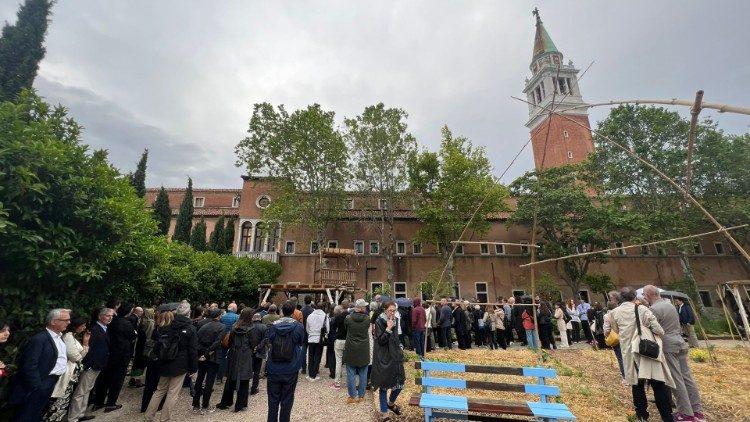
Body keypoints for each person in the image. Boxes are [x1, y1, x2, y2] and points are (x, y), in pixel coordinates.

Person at [607, 287, 674, 422]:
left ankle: (642, 416)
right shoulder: (642, 309)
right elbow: (658, 329)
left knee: (637, 385)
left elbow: (616, 330)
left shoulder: (614, 313)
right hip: (645, 349)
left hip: (629, 352)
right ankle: (667, 417)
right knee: (658, 384)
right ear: (634, 297)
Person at [643, 285, 706, 422]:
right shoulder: (670, 305)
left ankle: (685, 413)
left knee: (675, 379)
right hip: (680, 341)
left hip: (668, 345)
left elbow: (653, 329)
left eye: (644, 295)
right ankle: (697, 411)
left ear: (648, 295)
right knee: (687, 377)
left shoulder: (653, 309)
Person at [9, 308, 71, 422]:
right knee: (27, 415)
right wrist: (37, 385)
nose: (69, 322)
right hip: (41, 382)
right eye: (65, 320)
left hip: (51, 381)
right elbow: (29, 365)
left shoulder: (59, 337)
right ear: (53, 321)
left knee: (37, 412)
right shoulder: (39, 339)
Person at [144, 301, 198, 422]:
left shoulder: (167, 326)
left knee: (160, 390)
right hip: (180, 364)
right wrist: (193, 368)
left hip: (165, 361)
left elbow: (158, 345)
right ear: (189, 313)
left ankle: (148, 416)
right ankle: (165, 418)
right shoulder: (190, 329)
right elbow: (193, 351)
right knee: (172, 392)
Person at [67, 308, 113, 422]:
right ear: (100, 316)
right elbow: (89, 349)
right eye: (107, 315)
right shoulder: (93, 329)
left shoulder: (104, 328)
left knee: (87, 389)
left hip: (98, 364)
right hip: (91, 365)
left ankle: (81, 414)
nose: (110, 318)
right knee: (81, 391)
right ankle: (73, 417)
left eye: (111, 316)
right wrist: (89, 364)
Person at [43, 316, 90, 421]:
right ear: (75, 326)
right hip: (66, 375)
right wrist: (84, 348)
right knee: (58, 403)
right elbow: (75, 356)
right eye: (82, 325)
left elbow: (78, 356)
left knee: (63, 402)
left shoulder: (73, 336)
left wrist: (85, 344)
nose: (84, 327)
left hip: (71, 377)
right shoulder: (68, 337)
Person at [92, 304, 137, 413]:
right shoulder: (126, 323)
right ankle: (111, 403)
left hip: (109, 352)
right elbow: (132, 336)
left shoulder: (112, 321)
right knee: (117, 379)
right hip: (121, 354)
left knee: (105, 378)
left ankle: (98, 402)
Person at [265, 301, 305, 422]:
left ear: (282, 311)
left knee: (272, 399)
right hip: (290, 366)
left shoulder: (273, 326)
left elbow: (269, 340)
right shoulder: (298, 326)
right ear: (293, 312)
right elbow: (300, 341)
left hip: (274, 366)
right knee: (287, 399)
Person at [217, 308, 258, 412]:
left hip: (234, 353)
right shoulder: (252, 328)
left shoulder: (235, 326)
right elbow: (253, 343)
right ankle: (240, 404)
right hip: (245, 354)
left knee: (230, 377)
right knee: (244, 379)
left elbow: (229, 341)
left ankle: (226, 402)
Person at [371, 301, 406, 422]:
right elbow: (380, 341)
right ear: (385, 310)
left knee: (400, 383)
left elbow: (396, 337)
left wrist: (400, 346)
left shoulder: (395, 319)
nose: (392, 312)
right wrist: (388, 328)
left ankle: (391, 403)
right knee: (384, 386)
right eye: (390, 310)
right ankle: (384, 414)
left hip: (395, 355)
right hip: (384, 356)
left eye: (394, 310)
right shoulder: (379, 321)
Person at [192, 307, 224, 415]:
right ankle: (205, 405)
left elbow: (197, 339)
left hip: (202, 355)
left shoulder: (203, 325)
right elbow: (217, 342)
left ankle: (195, 404)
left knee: (199, 380)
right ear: (219, 316)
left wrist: (201, 353)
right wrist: (207, 352)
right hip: (212, 357)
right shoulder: (221, 326)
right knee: (209, 382)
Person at [343, 298, 370, 403]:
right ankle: (361, 395)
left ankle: (352, 396)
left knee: (350, 372)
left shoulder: (348, 318)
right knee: (363, 372)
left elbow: (346, 329)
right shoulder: (367, 319)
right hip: (363, 347)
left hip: (351, 347)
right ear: (362, 308)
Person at [130, 308, 155, 389]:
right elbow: (149, 335)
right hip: (146, 344)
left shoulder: (141, 320)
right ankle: (138, 380)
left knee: (137, 361)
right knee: (142, 362)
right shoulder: (150, 322)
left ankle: (132, 378)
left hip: (139, 344)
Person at [304, 303, 327, 381]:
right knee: (317, 356)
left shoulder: (310, 316)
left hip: (311, 338)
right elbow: (327, 328)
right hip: (320, 338)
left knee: (310, 356)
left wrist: (310, 333)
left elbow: (307, 328)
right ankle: (314, 373)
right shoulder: (325, 316)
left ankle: (310, 374)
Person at [217, 302, 239, 383]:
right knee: (233, 358)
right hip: (233, 340)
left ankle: (219, 378)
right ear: (234, 309)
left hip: (223, 339)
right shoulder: (237, 317)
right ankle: (231, 377)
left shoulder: (222, 317)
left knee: (222, 358)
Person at [330, 299, 349, 390]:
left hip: (339, 340)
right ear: (348, 306)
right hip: (348, 340)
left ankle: (337, 383)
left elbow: (333, 329)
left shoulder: (338, 317)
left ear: (341, 306)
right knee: (349, 362)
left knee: (338, 361)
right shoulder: (350, 316)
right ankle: (350, 382)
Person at [249, 312, 269, 395]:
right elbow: (265, 339)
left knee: (248, 370)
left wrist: (252, 347)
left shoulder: (249, 327)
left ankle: (246, 387)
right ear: (260, 319)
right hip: (259, 351)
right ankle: (254, 388)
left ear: (253, 319)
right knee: (257, 371)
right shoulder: (264, 327)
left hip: (249, 351)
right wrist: (258, 347)